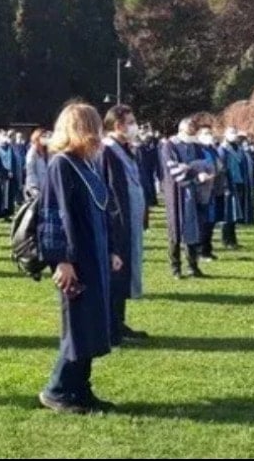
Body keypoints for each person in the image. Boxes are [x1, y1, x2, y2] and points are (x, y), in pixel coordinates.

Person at [37, 103, 121, 414]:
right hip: (75, 260)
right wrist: (60, 259)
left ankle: (81, 389)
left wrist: (111, 250)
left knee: (91, 325)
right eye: (95, 127)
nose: (99, 134)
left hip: (94, 256)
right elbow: (52, 216)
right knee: (78, 327)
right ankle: (58, 390)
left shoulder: (88, 164)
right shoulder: (61, 164)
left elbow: (103, 211)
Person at [100, 105, 149, 345]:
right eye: (131, 121)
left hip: (129, 222)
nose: (134, 126)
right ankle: (110, 329)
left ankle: (119, 322)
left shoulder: (125, 149)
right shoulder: (108, 151)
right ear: (118, 125)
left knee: (125, 273)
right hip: (117, 223)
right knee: (116, 274)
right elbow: (110, 191)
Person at [160, 118, 209, 280]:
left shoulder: (195, 145)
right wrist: (193, 170)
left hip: (193, 191)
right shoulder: (169, 145)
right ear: (181, 129)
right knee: (175, 229)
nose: (192, 133)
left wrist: (197, 169)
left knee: (193, 228)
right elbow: (173, 167)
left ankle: (193, 266)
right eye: (190, 130)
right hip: (176, 191)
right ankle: (176, 267)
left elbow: (204, 163)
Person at [218, 127, 252, 250]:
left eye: (235, 133)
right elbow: (221, 169)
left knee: (235, 214)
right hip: (228, 184)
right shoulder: (222, 150)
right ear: (225, 135)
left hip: (239, 183)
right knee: (227, 213)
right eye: (231, 133)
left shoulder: (238, 148)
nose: (234, 136)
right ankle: (226, 240)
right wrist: (225, 185)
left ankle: (233, 240)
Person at [194, 125, 223, 262]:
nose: (209, 135)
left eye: (210, 133)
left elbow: (219, 166)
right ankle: (200, 251)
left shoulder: (212, 149)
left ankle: (207, 249)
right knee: (203, 222)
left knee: (211, 220)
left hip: (214, 188)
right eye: (206, 133)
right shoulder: (197, 150)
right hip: (202, 189)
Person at [0, 130, 20, 221]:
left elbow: (13, 161)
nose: (5, 137)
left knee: (8, 196)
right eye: (3, 135)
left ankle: (7, 215)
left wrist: (12, 171)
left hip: (10, 175)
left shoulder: (9, 148)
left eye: (5, 135)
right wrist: (3, 173)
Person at [24, 127, 51, 198]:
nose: (46, 138)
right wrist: (34, 187)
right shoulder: (32, 152)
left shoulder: (48, 152)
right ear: (37, 138)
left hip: (47, 186)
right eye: (43, 136)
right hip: (36, 188)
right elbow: (30, 171)